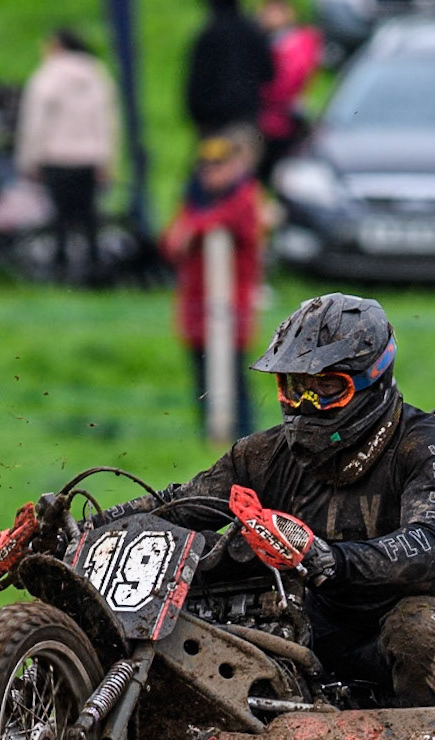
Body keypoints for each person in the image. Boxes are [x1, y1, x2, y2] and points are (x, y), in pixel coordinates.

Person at [58, 294, 435, 708]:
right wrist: (76, 534)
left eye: (326, 388)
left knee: (414, 630)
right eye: (295, 387)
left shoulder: (425, 445)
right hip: (313, 628)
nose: (306, 404)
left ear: (374, 379)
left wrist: (328, 557)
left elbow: (432, 545)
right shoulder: (261, 455)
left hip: (418, 628)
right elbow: (181, 505)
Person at [162, 128, 263, 440]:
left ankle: (245, 439)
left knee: (234, 378)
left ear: (236, 166)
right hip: (196, 308)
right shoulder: (195, 199)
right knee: (202, 378)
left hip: (231, 310)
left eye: (219, 165)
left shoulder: (244, 197)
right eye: (206, 166)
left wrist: (195, 229)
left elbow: (234, 221)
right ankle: (212, 438)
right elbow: (170, 242)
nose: (211, 173)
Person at [15, 27, 120, 285]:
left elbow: (34, 124)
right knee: (89, 214)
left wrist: (29, 159)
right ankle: (95, 268)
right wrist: (108, 159)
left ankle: (61, 268)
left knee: (60, 216)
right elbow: (108, 123)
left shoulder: (46, 77)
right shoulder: (97, 75)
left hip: (57, 155)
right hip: (91, 156)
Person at [184, 0, 274, 140]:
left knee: (215, 160)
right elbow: (268, 73)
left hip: (211, 121)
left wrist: (197, 114)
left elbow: (198, 81)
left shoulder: (209, 35)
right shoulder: (252, 32)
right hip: (245, 118)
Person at [255, 0, 321, 184]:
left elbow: (287, 83)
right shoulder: (264, 40)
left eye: (274, 10)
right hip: (264, 119)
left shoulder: (296, 42)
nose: (267, 15)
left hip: (283, 120)